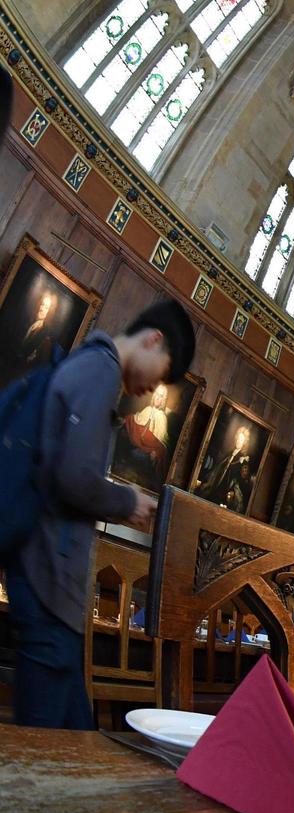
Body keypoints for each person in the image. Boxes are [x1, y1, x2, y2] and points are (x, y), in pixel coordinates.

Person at [7, 299, 194, 729]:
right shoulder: (100, 370)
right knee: (44, 749)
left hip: (52, 587)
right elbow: (72, 477)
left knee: (74, 738)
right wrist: (128, 501)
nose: (151, 389)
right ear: (153, 340)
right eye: (160, 375)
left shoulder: (91, 367)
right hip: (48, 580)